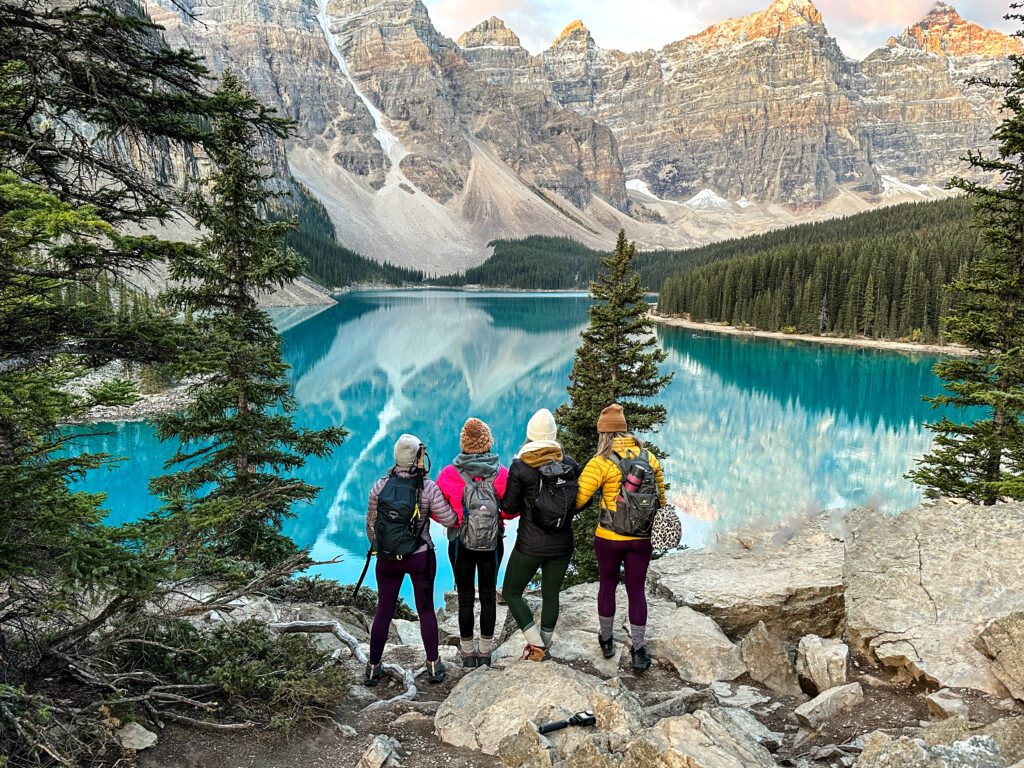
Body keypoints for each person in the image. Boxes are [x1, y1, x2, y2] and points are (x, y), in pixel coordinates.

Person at [575, 404, 666, 671]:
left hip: (609, 537)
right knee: (636, 590)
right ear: (625, 430)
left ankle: (606, 640)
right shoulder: (648, 458)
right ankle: (638, 649)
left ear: (603, 433)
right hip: (641, 538)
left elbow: (580, 499)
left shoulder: (601, 461)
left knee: (607, 585)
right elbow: (661, 496)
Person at [365, 434, 456, 687]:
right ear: (418, 459)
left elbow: (371, 526)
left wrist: (383, 548)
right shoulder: (427, 488)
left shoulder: (379, 487)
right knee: (426, 609)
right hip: (419, 557)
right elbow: (448, 519)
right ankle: (434, 665)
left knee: (383, 611)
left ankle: (373, 667)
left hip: (387, 560)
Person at [501, 408, 580, 662]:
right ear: (554, 435)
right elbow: (576, 502)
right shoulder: (568, 465)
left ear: (530, 436)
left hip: (530, 544)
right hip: (562, 544)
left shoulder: (521, 466)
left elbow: (510, 508)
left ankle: (536, 646)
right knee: (550, 595)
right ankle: (542, 647)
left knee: (512, 592)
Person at [436, 418, 508, 668]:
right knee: (488, 595)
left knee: (465, 596)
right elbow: (509, 511)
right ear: (488, 443)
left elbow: (436, 510)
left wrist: (455, 519)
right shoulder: (501, 473)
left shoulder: (448, 474)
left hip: (460, 543)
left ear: (464, 444)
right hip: (492, 543)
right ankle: (486, 652)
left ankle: (467, 654)